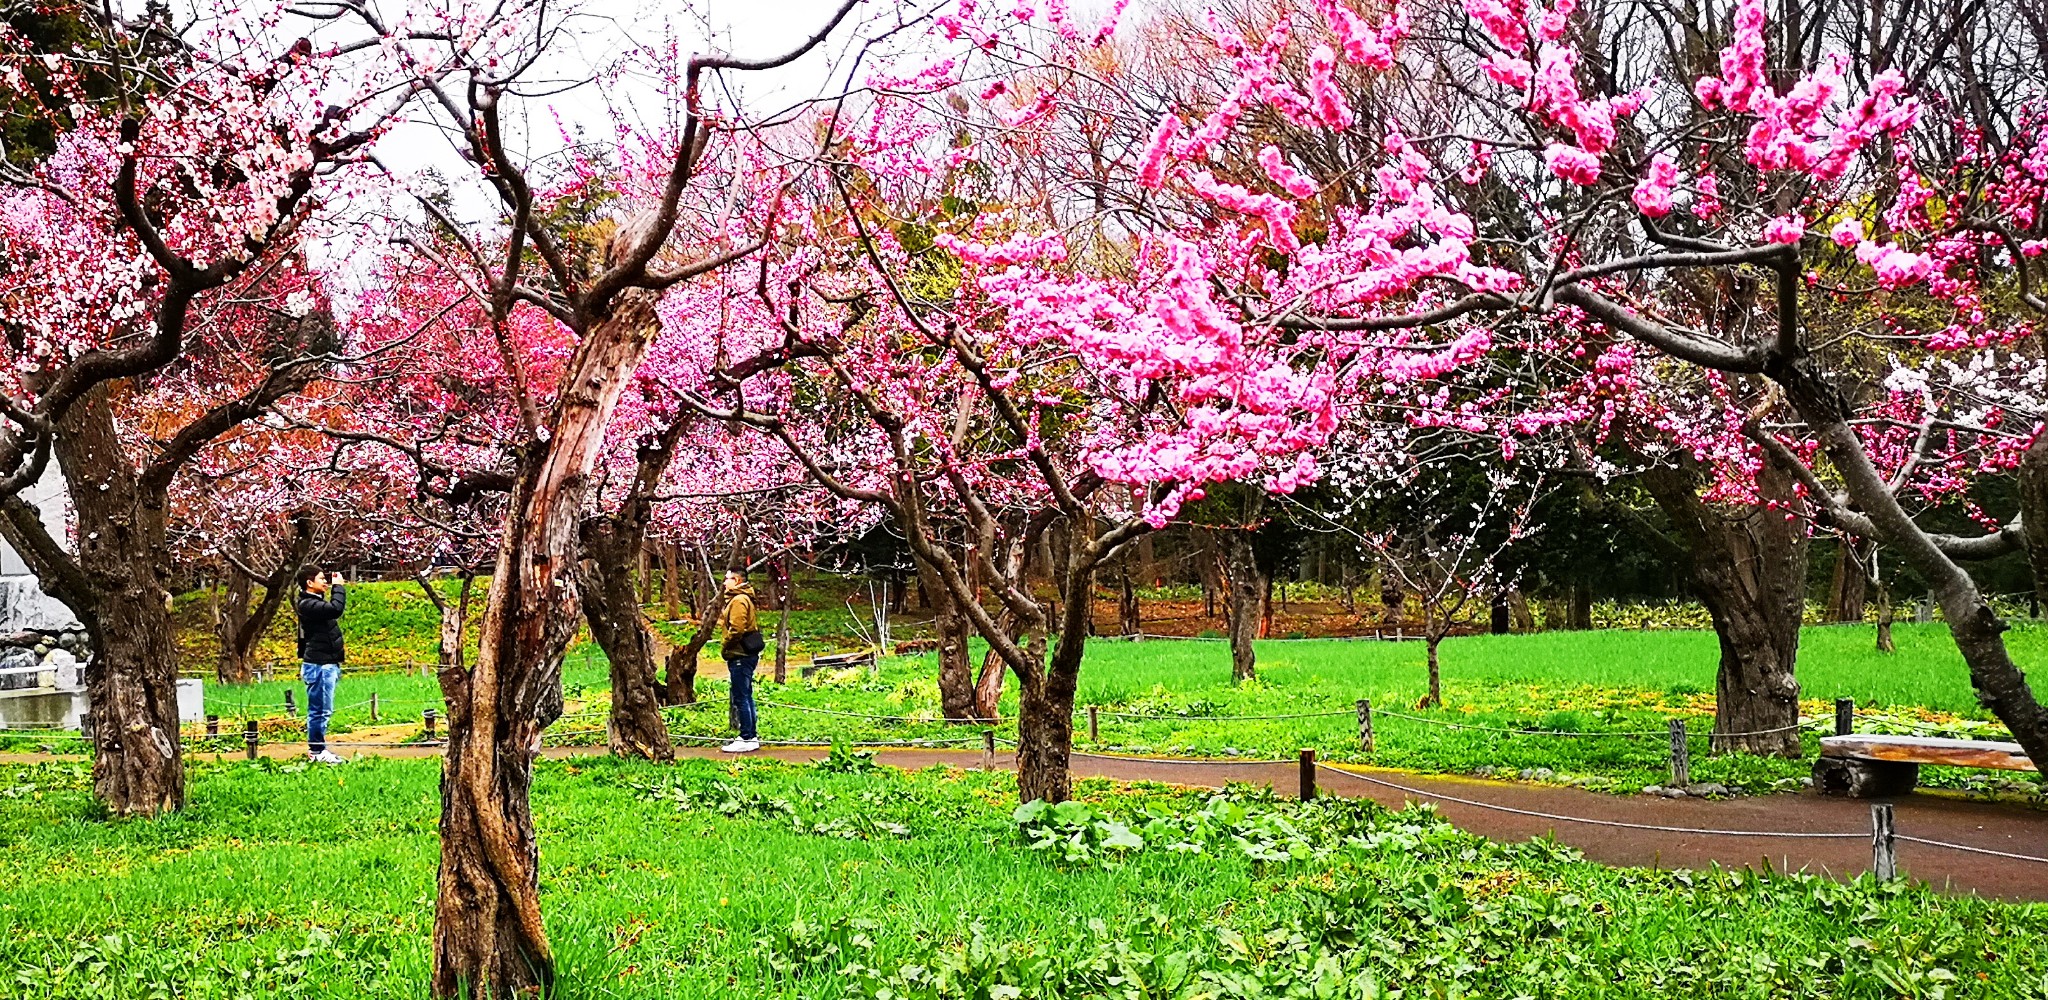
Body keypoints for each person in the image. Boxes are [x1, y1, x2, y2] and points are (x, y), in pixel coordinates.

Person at [294, 567, 348, 764]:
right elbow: (336, 609)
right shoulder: (308, 604)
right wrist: (338, 588)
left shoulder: (314, 603)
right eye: (321, 579)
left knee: (323, 709)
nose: (325, 582)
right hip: (319, 665)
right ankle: (317, 751)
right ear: (309, 583)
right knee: (319, 710)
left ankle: (318, 749)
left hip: (325, 663)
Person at [719, 569, 764, 753]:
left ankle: (747, 736)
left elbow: (737, 628)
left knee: (741, 696)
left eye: (727, 579)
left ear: (736, 580)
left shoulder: (739, 600)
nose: (724, 583)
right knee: (745, 694)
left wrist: (726, 645)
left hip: (740, 654)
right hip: (744, 654)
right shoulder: (742, 598)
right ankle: (750, 734)